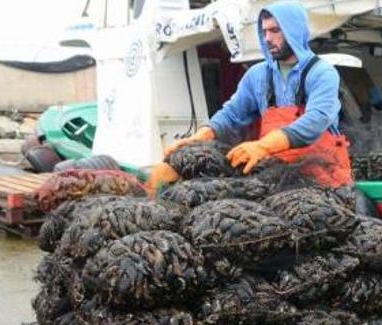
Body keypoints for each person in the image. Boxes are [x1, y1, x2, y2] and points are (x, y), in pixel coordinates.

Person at [148, 0, 351, 192]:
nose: (268, 38)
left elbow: (316, 119)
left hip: (325, 179)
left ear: (294, 31)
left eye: (275, 30)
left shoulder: (322, 73)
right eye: (264, 31)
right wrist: (198, 138)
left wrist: (262, 146)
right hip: (276, 178)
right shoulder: (257, 76)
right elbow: (231, 115)